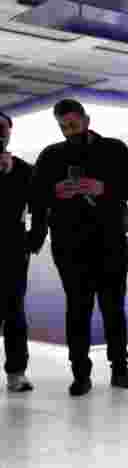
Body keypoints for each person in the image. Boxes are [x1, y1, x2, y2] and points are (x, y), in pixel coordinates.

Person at [28, 99, 128, 397]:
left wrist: (103, 188)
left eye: (74, 124)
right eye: (64, 126)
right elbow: (36, 198)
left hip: (111, 241)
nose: (70, 130)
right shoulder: (51, 156)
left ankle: (120, 369)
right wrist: (54, 192)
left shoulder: (114, 149)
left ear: (87, 119)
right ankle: (80, 374)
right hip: (69, 245)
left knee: (113, 308)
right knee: (77, 309)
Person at [0, 110, 41, 393]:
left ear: (10, 132)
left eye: (2, 128)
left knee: (14, 311)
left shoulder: (25, 170)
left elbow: (40, 209)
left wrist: (33, 241)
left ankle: (16, 372)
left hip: (13, 249)